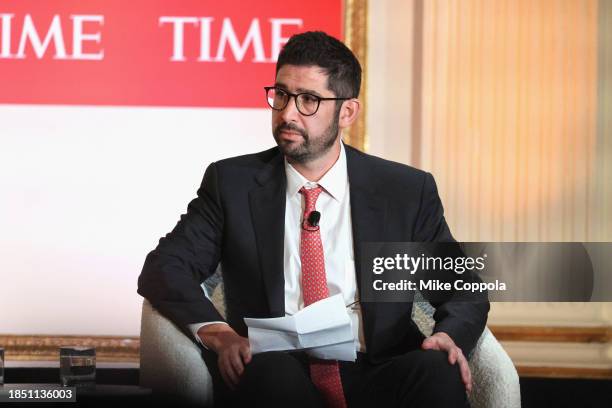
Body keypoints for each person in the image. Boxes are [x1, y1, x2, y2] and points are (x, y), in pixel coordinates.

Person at [138, 31, 489, 408]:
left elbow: (463, 287)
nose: (288, 113)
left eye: (308, 100)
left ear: (348, 112)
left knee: (436, 371)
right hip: (277, 371)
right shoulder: (232, 184)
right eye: (282, 95)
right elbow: (165, 267)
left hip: (378, 368)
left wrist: (448, 335)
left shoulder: (404, 191)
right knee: (271, 378)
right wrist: (220, 334)